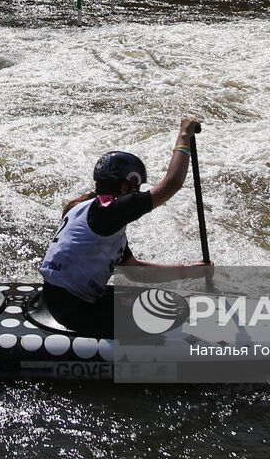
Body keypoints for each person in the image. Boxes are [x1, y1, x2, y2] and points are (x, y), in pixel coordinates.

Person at [39, 117, 212, 337]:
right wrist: (184, 135)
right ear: (125, 186)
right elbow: (172, 184)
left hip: (58, 300)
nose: (138, 193)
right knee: (169, 313)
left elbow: (136, 271)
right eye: (136, 188)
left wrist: (189, 271)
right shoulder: (109, 211)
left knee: (161, 301)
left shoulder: (90, 211)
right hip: (73, 311)